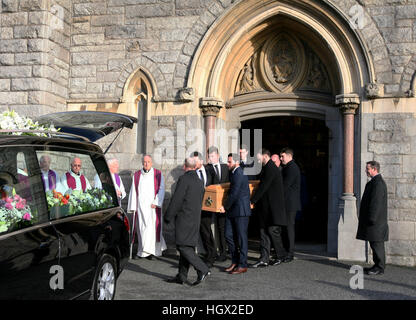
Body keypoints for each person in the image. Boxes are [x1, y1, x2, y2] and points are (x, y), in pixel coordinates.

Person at [164, 157, 210, 286]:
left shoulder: (184, 179)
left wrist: (168, 216)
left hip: (184, 219)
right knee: (187, 246)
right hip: (195, 219)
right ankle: (181, 276)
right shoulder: (200, 181)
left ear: (185, 166)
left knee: (182, 246)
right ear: (195, 167)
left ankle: (203, 269)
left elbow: (177, 200)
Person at [250, 149, 287, 267]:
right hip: (266, 208)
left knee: (272, 231)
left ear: (265, 156)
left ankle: (281, 255)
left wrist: (252, 200)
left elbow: (264, 186)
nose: (257, 160)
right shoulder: (267, 168)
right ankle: (264, 258)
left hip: (272, 208)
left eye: (258, 157)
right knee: (263, 232)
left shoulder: (270, 168)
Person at [127, 155, 166, 259]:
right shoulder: (137, 175)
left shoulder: (158, 174)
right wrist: (133, 206)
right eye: (144, 162)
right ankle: (142, 251)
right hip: (141, 207)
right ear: (142, 163)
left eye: (148, 162)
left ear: (151, 162)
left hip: (153, 207)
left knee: (152, 230)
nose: (146, 164)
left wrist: (156, 202)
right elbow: (133, 191)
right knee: (142, 229)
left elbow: (162, 188)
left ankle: (152, 253)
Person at [219, 153, 251, 274]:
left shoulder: (238, 173)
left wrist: (224, 206)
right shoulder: (234, 172)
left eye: (229, 162)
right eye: (227, 161)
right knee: (228, 235)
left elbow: (234, 193)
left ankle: (242, 264)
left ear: (237, 162)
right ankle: (235, 261)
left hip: (240, 210)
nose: (228, 164)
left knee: (242, 238)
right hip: (233, 210)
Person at [356, 161, 388, 275]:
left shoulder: (378, 183)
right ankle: (376, 265)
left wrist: (372, 218)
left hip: (376, 222)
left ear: (374, 169)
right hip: (374, 221)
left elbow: (376, 203)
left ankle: (380, 267)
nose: (366, 170)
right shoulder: (374, 182)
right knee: (374, 243)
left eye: (367, 169)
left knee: (377, 243)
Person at [206, 146, 230, 262]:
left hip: (223, 203)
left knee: (222, 227)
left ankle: (223, 252)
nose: (211, 158)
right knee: (208, 227)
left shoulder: (226, 167)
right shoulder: (207, 168)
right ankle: (211, 252)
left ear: (218, 156)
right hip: (210, 203)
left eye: (213, 156)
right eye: (209, 156)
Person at [192, 151, 216, 268]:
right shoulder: (192, 174)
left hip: (208, 206)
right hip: (196, 207)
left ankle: (211, 254)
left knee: (207, 231)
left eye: (196, 161)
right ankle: (208, 253)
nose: (194, 163)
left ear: (201, 161)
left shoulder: (209, 171)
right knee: (202, 231)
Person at [280, 147, 301, 263]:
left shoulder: (292, 168)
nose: (281, 158)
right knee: (286, 227)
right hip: (288, 203)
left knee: (289, 228)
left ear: (289, 156)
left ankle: (290, 253)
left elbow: (285, 185)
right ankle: (287, 251)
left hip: (290, 204)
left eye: (282, 156)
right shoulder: (288, 167)